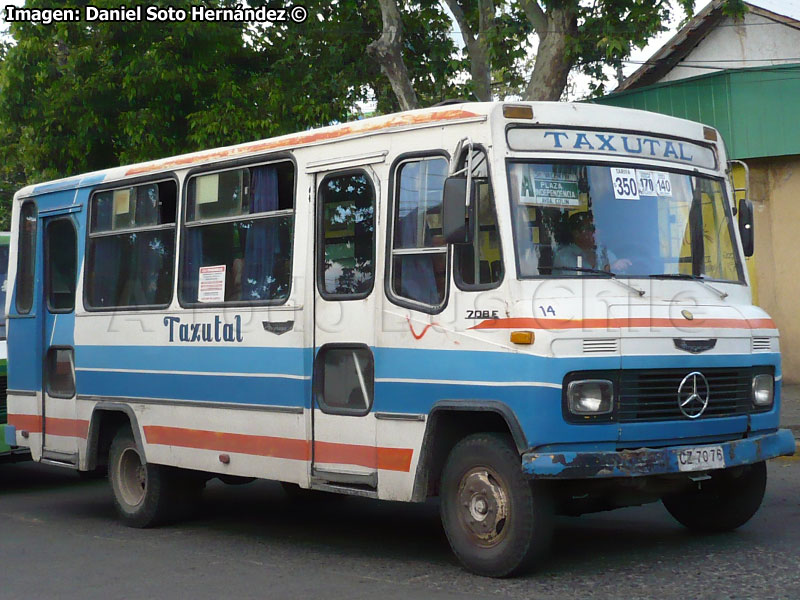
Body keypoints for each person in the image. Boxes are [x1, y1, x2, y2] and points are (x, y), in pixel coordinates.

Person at [553, 211, 632, 274]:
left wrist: (620, 267)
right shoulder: (564, 256)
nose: (597, 232)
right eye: (591, 228)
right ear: (576, 233)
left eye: (597, 228)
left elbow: (621, 277)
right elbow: (579, 284)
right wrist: (609, 268)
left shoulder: (603, 252)